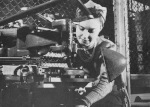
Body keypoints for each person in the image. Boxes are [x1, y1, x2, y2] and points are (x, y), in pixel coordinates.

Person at [72, 0, 127, 107]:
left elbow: (105, 85)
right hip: (79, 92)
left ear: (100, 29)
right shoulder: (70, 45)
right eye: (81, 28)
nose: (84, 36)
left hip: (105, 96)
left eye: (91, 31)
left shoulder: (107, 47)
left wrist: (85, 102)